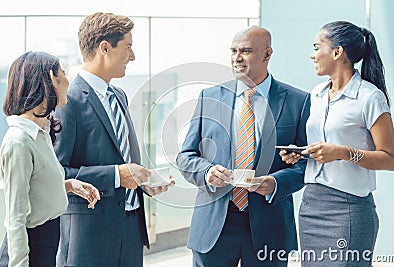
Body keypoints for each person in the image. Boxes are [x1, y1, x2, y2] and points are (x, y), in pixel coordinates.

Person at [176, 26, 310, 267]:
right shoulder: (210, 97)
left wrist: (276, 183)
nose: (237, 58)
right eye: (233, 51)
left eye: (246, 51)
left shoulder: (298, 101)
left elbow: (307, 164)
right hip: (214, 225)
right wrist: (206, 172)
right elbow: (186, 156)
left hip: (270, 226)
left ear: (267, 54)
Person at [53, 12, 172, 267]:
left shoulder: (119, 95)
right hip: (89, 239)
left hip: (129, 232)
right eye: (128, 47)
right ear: (104, 48)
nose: (133, 56)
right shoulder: (68, 102)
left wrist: (142, 182)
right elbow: (57, 173)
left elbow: (122, 159)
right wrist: (117, 176)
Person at [280, 21, 394, 266]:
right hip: (311, 205)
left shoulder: (369, 97)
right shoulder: (317, 94)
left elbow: (391, 159)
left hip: (349, 209)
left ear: (337, 52)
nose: (312, 55)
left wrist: (343, 153)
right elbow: (325, 147)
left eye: (317, 47)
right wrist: (303, 154)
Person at [0, 51, 100, 267]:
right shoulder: (19, 141)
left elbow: (35, 191)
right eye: (63, 73)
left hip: (46, 241)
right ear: (49, 80)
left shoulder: (41, 131)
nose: (67, 79)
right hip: (30, 248)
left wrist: (69, 185)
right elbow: (15, 218)